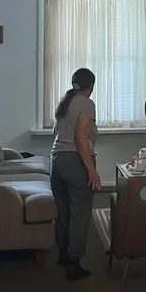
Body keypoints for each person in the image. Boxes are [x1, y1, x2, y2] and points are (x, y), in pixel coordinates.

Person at [50, 68, 102, 280]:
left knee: (63, 211)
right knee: (80, 212)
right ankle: (75, 262)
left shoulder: (65, 102)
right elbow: (80, 138)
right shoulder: (86, 103)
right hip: (74, 162)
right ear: (91, 86)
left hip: (56, 162)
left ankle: (63, 254)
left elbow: (57, 134)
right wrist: (92, 170)